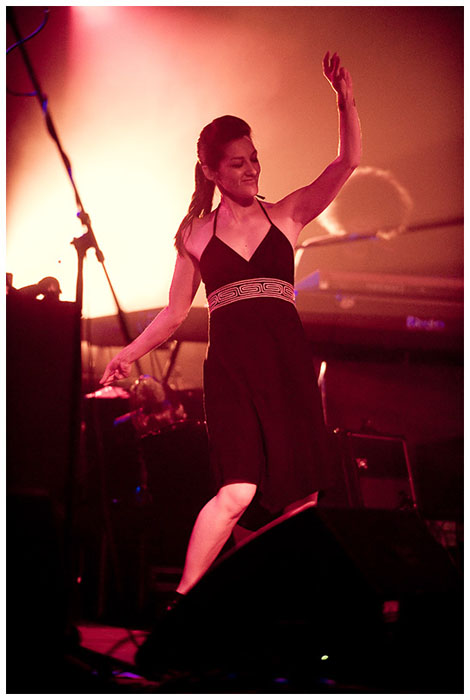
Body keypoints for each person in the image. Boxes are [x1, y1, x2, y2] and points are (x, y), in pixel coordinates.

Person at [100, 51, 361, 602]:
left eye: (254, 159)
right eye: (237, 163)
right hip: (234, 370)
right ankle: (184, 602)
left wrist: (344, 101)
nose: (251, 169)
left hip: (286, 364)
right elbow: (174, 313)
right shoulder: (194, 234)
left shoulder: (286, 214)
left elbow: (345, 163)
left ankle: (262, 604)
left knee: (302, 499)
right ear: (212, 172)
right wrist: (128, 352)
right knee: (238, 491)